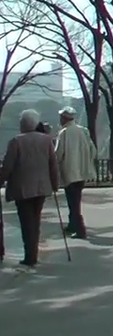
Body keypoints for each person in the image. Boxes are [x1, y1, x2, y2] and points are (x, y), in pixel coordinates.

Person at [0, 109, 59, 271]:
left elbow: (7, 166)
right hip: (41, 187)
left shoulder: (16, 141)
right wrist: (55, 184)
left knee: (26, 222)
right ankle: (33, 253)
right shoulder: (46, 140)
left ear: (23, 124)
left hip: (22, 188)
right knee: (35, 219)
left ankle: (30, 256)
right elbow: (53, 165)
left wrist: (1, 180)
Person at [56, 106, 98, 239]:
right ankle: (72, 225)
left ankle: (80, 228)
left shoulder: (64, 133)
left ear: (64, 118)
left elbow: (58, 154)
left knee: (72, 202)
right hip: (82, 171)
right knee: (76, 199)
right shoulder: (83, 131)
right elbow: (93, 150)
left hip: (69, 171)